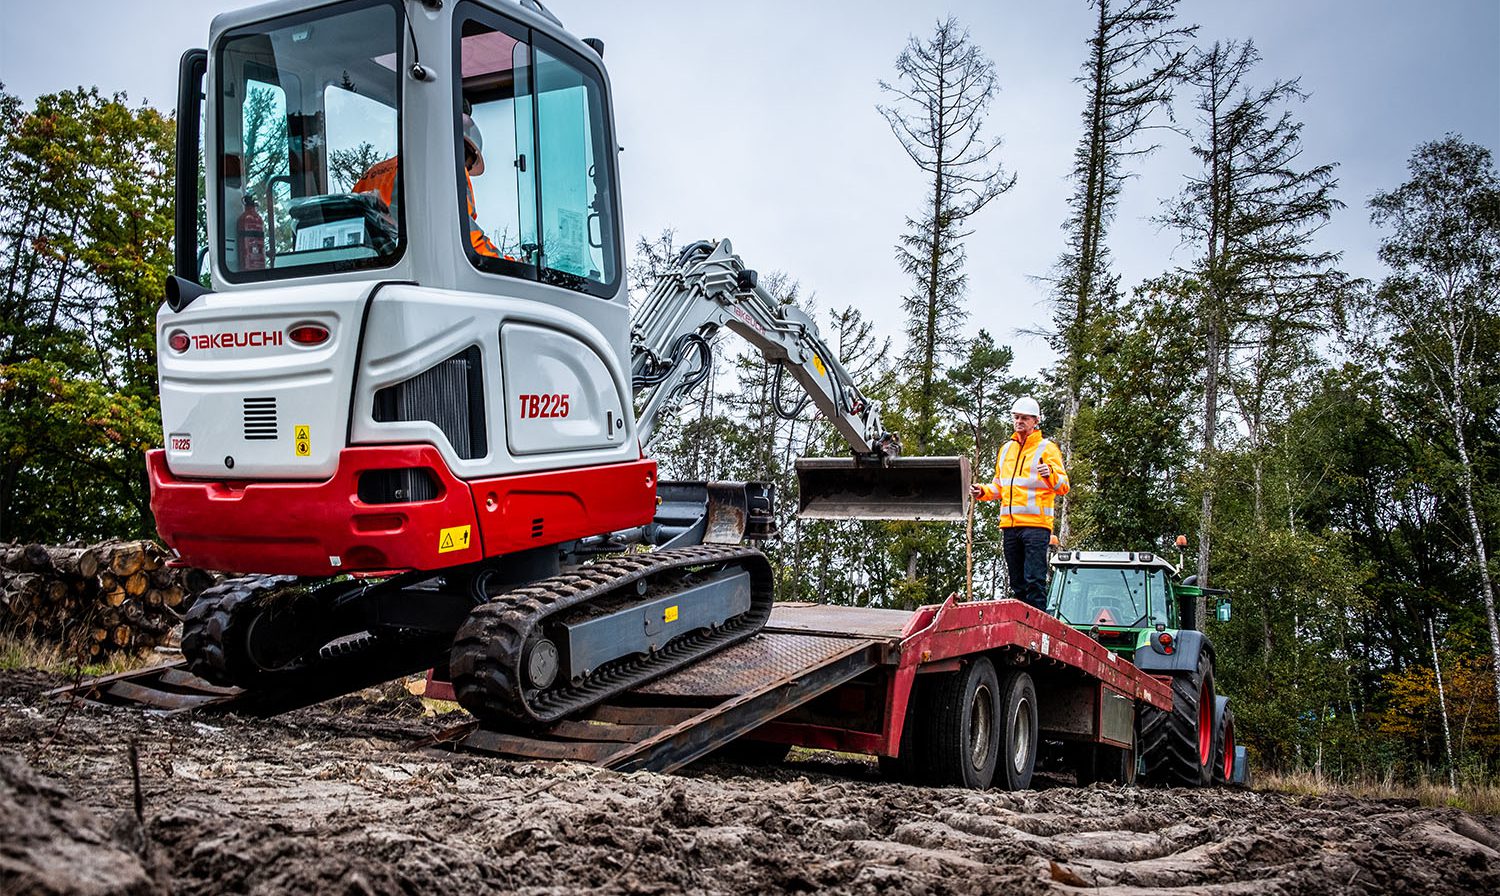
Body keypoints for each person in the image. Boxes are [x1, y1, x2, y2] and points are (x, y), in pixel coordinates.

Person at [352, 112, 499, 258]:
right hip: (412, 270)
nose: (466, 170)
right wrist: (509, 266)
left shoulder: (374, 172)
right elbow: (466, 236)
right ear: (461, 148)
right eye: (469, 162)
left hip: (369, 267)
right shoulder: (446, 168)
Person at [971, 396, 1070, 610]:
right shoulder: (1006, 449)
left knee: (1034, 581)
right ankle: (1021, 631)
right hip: (1010, 526)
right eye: (1016, 417)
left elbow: (1063, 485)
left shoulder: (1047, 448)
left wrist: (1050, 473)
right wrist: (983, 491)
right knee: (1017, 584)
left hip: (1036, 526)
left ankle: (1037, 631)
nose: (1019, 421)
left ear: (1036, 421)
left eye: (1024, 418)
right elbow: (1000, 486)